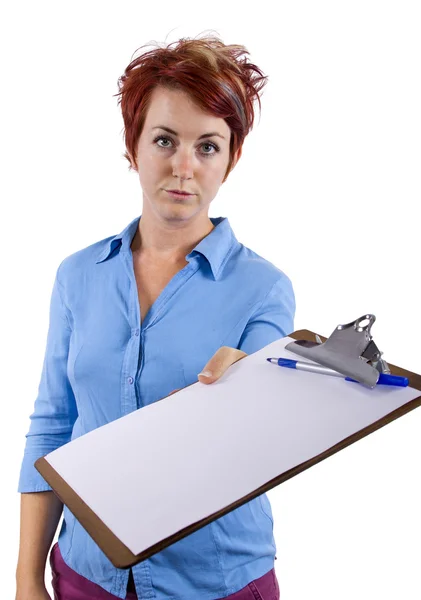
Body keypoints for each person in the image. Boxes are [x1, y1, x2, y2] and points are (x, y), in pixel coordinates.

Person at [15, 34, 295, 600]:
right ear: (133, 146)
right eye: (164, 139)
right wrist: (26, 578)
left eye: (208, 146)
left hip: (216, 581)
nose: (183, 167)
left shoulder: (264, 288)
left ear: (231, 159)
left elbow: (263, 436)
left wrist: (242, 385)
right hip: (87, 574)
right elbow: (52, 426)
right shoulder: (78, 276)